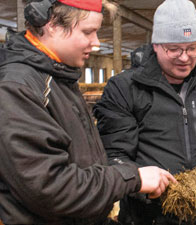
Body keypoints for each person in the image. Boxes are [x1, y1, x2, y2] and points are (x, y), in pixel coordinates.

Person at [0, 0, 176, 224]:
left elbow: (81, 163)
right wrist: (133, 177)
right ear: (53, 25)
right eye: (88, 32)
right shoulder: (18, 88)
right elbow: (51, 188)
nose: (96, 43)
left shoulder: (59, 77)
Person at [93, 0, 196, 224]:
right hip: (149, 216)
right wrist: (143, 184)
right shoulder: (124, 88)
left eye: (192, 48)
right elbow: (115, 155)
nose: (185, 57)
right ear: (156, 45)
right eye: (174, 49)